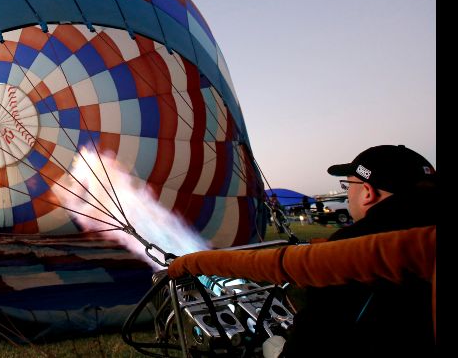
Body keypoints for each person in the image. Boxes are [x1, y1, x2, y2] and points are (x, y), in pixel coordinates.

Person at [169, 144, 437, 357]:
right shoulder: (422, 233)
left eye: (348, 186)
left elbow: (286, 267)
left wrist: (193, 262)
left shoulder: (365, 245)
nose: (347, 195)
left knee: (272, 344)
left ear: (367, 192)